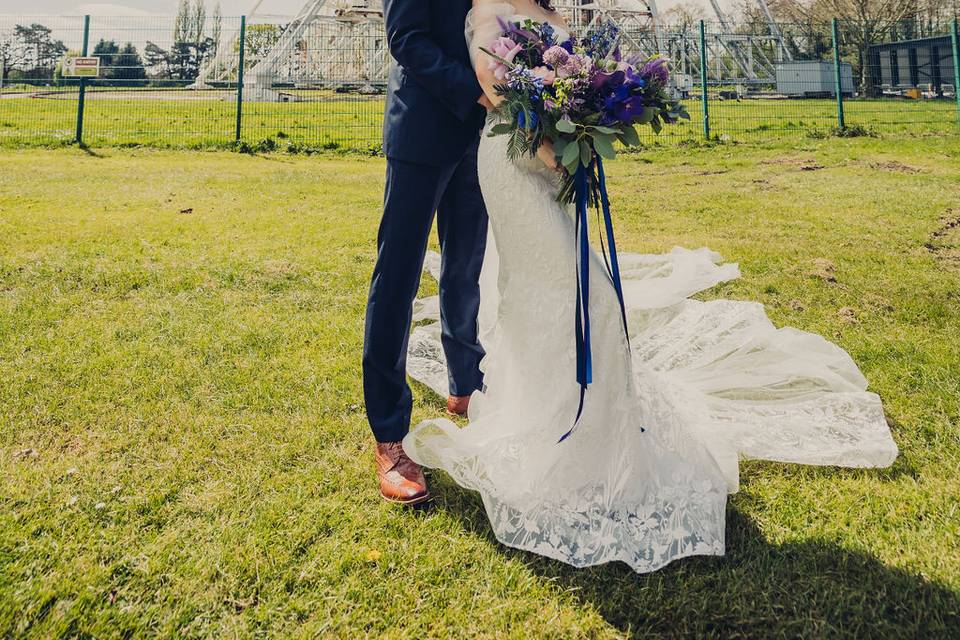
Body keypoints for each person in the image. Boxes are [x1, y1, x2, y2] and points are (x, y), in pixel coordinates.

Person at [399, 0, 899, 573]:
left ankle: (592, 435)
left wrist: (584, 130)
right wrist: (546, 139)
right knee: (574, 295)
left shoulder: (551, 14)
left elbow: (577, 85)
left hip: (554, 162)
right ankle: (557, 437)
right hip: (514, 160)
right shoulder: (487, 6)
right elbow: (493, 84)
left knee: (573, 297)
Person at [362, 0, 493, 505]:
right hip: (422, 130)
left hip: (479, 138)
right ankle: (390, 438)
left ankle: (465, 386)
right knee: (398, 278)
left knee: (465, 269)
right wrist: (476, 91)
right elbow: (406, 37)